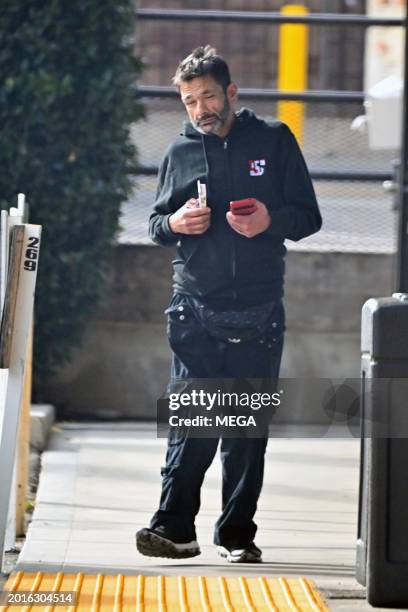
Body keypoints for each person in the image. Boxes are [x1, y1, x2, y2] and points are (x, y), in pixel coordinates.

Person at [136, 46, 322, 563]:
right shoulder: (179, 153)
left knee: (243, 430)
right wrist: (174, 224)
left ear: (231, 93)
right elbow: (155, 224)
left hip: (259, 311)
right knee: (193, 419)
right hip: (193, 306)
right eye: (190, 100)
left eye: (209, 96)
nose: (200, 109)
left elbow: (308, 215)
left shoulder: (274, 140)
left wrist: (271, 221)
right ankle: (173, 528)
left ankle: (236, 535)